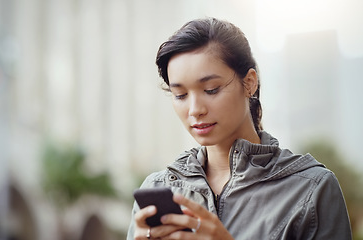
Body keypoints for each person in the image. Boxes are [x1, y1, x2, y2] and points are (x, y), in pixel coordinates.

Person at [126, 17, 352, 240]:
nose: (195, 109)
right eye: (180, 95)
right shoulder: (158, 189)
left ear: (249, 83)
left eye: (211, 89)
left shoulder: (311, 189)